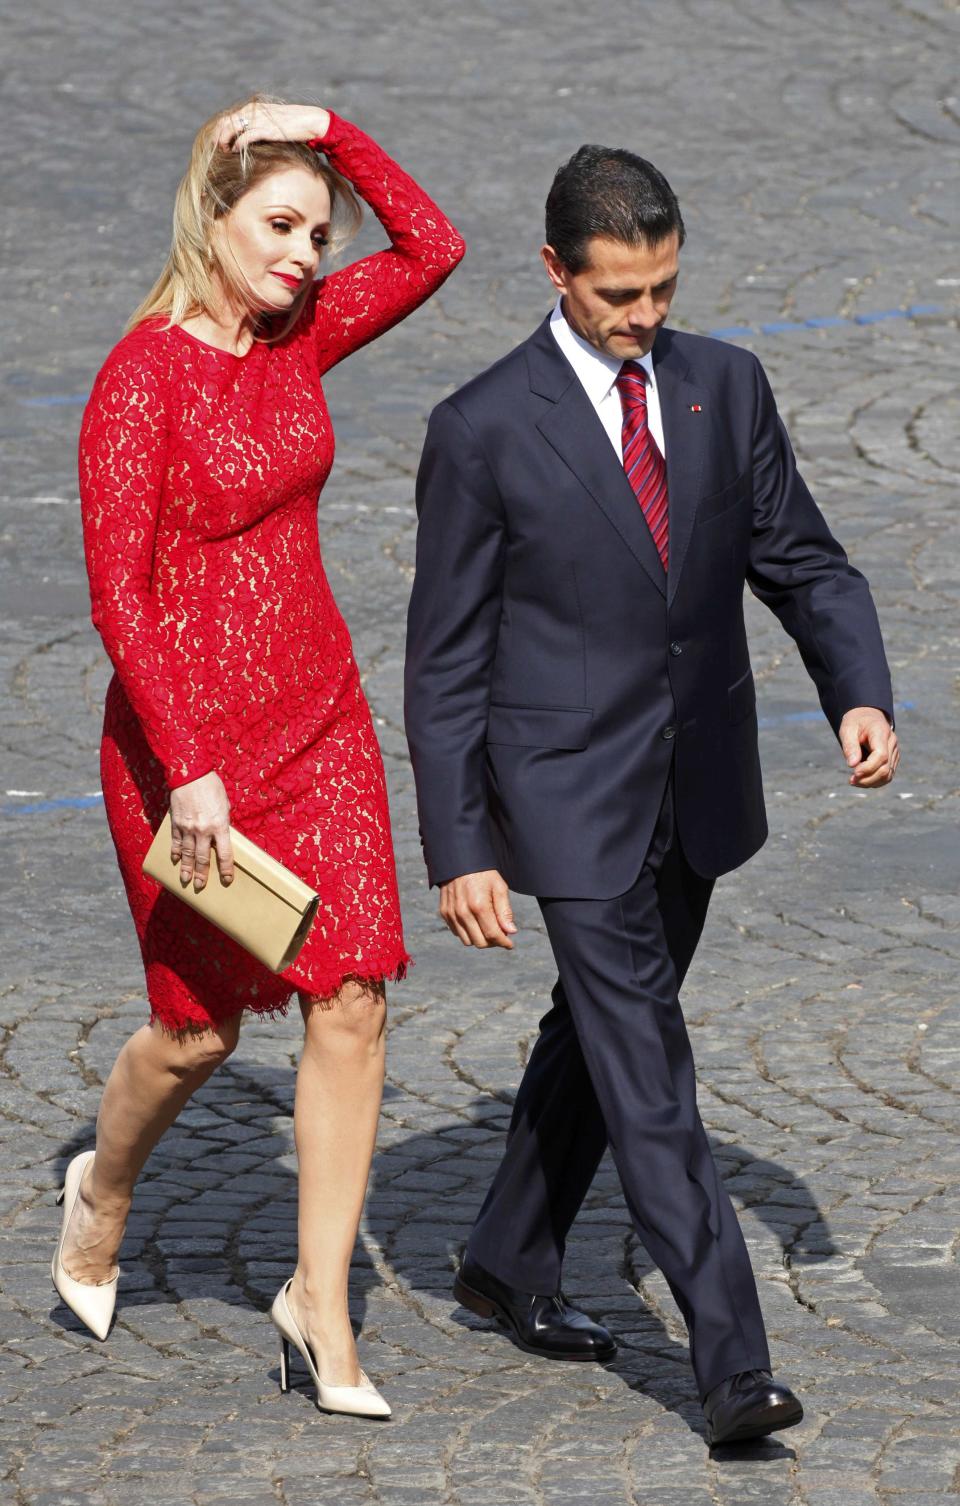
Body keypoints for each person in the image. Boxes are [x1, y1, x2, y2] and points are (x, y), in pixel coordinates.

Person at [404, 143, 898, 1446]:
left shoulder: (725, 387)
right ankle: (734, 1364)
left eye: (663, 290)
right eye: (621, 294)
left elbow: (800, 557)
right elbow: (445, 662)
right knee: (650, 1068)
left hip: (700, 783)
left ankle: (508, 1250)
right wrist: (459, 841)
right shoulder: (482, 429)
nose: (645, 319)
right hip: (568, 797)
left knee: (608, 1026)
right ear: (558, 272)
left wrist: (858, 687)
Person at [57, 95, 464, 1418]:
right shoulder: (140, 380)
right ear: (210, 219)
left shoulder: (299, 335)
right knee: (199, 1031)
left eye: (316, 229)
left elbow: (432, 248)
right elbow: (120, 596)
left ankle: (320, 1303)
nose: (305, 254)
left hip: (321, 730)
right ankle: (102, 1187)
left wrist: (333, 129)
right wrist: (190, 768)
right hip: (190, 773)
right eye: (279, 226)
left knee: (354, 993)